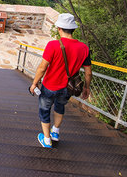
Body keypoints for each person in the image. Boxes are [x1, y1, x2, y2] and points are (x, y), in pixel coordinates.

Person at [29, 13, 92, 148]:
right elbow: (88, 72)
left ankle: (46, 140)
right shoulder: (84, 48)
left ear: (59, 28)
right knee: (60, 106)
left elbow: (42, 68)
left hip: (50, 86)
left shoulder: (53, 45)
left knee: (44, 110)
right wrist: (87, 88)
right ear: (73, 29)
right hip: (68, 87)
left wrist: (34, 83)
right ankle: (55, 132)